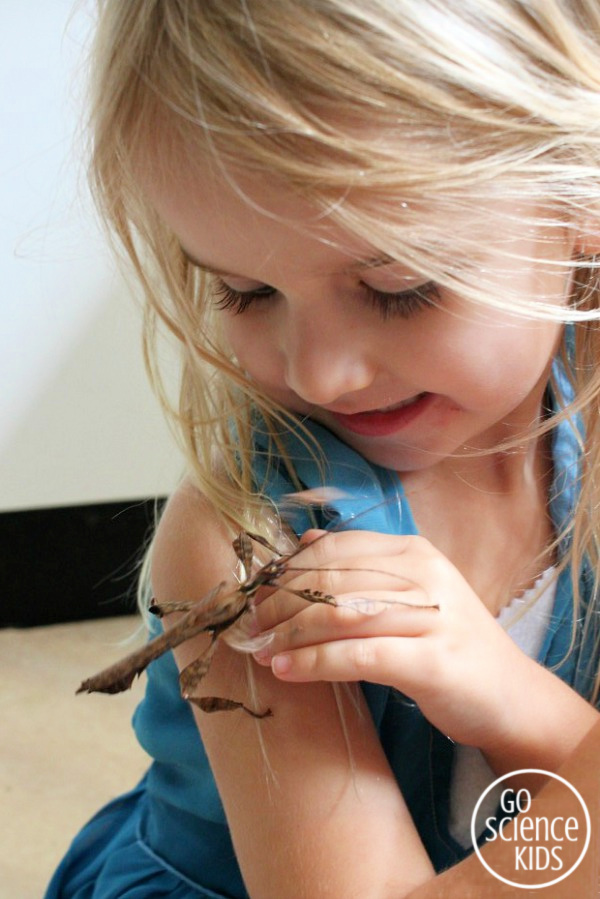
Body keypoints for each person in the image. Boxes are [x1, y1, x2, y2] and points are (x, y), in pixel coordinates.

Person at [45, 1, 600, 896]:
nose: (324, 373)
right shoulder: (243, 542)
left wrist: (514, 698)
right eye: (246, 292)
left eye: (400, 287)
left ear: (581, 199)